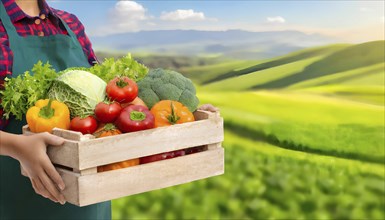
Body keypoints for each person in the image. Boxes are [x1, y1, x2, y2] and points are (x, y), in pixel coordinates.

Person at [0, 0, 218, 219]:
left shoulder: (69, 24)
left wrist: (185, 115)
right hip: (17, 201)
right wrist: (17, 146)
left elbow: (109, 102)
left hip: (91, 204)